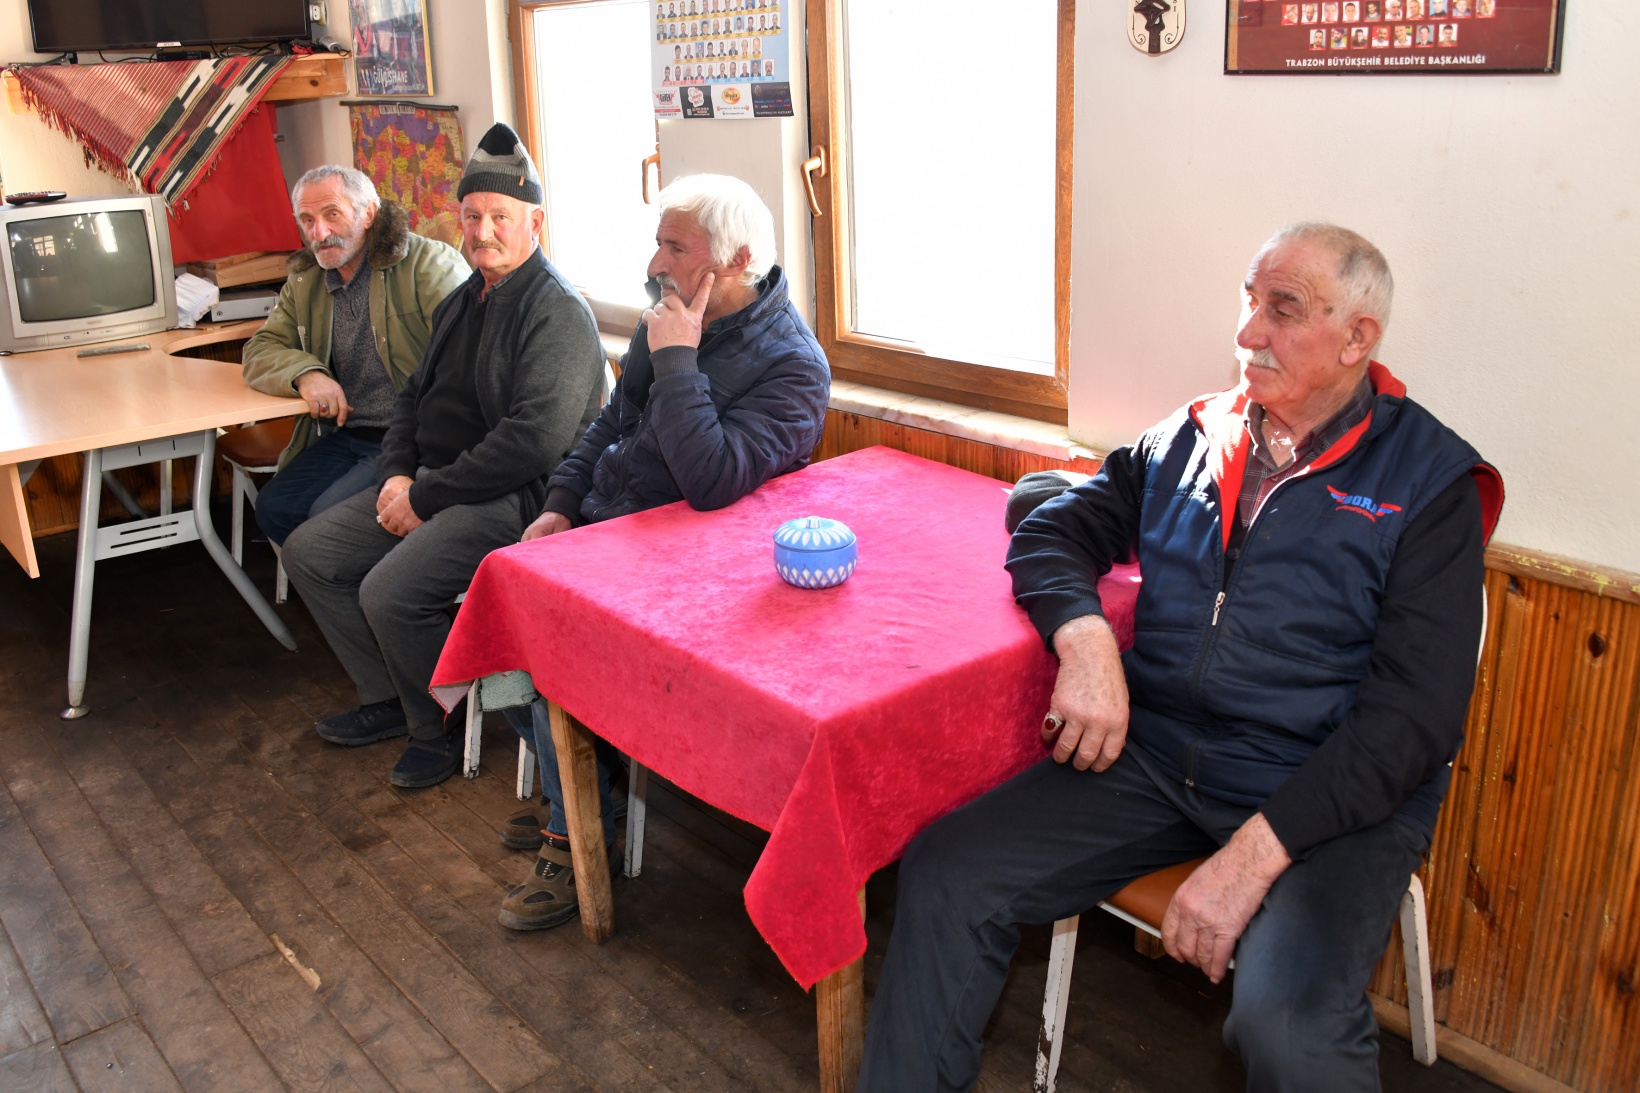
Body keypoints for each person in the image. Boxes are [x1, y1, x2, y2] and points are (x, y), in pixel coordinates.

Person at [856, 224, 1504, 1091]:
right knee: (948, 872)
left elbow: (1412, 723)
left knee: (1289, 1027)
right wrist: (1085, 641)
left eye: (1283, 310)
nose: (1248, 332)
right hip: (1164, 759)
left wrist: (1251, 855)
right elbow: (1053, 527)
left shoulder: (1430, 484)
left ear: (1358, 338)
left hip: (1328, 797)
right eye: (1249, 301)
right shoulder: (1198, 433)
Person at [494, 173, 831, 932]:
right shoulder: (669, 313)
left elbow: (711, 482)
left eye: (675, 246)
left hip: (697, 573)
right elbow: (606, 427)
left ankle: (573, 836)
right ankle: (581, 787)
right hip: (613, 532)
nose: (656, 260)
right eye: (658, 240)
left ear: (737, 260)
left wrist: (678, 361)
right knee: (500, 617)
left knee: (552, 656)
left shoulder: (793, 367)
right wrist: (557, 507)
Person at [281, 124, 608, 790]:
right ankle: (392, 700)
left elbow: (532, 443)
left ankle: (440, 722)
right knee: (309, 552)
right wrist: (398, 473)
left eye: (500, 217)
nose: (483, 230)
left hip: (517, 498)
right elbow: (410, 398)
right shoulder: (466, 298)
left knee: (389, 593)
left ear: (535, 221)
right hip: (435, 481)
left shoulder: (558, 313)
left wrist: (424, 498)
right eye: (472, 216)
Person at [240, 166, 468, 546]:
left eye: (332, 214)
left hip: (410, 438)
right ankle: (342, 575)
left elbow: (467, 358)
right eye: (307, 220)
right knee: (274, 507)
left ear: (369, 213)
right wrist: (306, 373)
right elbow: (259, 350)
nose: (319, 233)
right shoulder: (305, 280)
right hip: (346, 433)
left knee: (323, 523)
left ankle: (377, 581)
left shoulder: (429, 265)